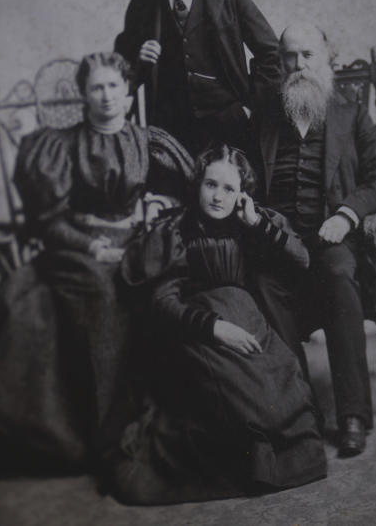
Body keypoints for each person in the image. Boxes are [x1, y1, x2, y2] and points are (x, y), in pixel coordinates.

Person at [0, 52, 192, 473]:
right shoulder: (62, 145)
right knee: (103, 290)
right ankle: (106, 433)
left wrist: (157, 203)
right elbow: (50, 222)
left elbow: (189, 189)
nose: (107, 96)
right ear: (83, 95)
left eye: (114, 86)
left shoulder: (146, 140)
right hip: (78, 246)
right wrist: (93, 247)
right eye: (97, 88)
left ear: (129, 94)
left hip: (136, 238)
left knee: (168, 283)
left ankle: (170, 416)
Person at [109, 145, 326, 504]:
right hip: (199, 332)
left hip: (252, 324)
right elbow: (162, 302)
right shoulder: (178, 229)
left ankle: (270, 460)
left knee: (281, 400)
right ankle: (255, 464)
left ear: (242, 193)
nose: (218, 196)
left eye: (229, 189)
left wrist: (256, 223)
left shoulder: (250, 223)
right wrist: (215, 328)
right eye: (211, 184)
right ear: (197, 184)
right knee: (245, 409)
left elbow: (302, 259)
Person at [254, 23, 376, 457]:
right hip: (278, 243)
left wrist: (349, 214)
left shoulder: (349, 111)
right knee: (260, 283)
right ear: (280, 63)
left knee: (337, 274)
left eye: (308, 56)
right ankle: (300, 412)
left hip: (332, 238)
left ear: (327, 58)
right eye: (289, 58)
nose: (298, 66)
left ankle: (352, 414)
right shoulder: (264, 115)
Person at [114, 0, 281, 158]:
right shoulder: (142, 4)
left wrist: (249, 107)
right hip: (168, 130)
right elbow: (119, 74)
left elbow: (273, 55)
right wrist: (138, 60)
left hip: (229, 125)